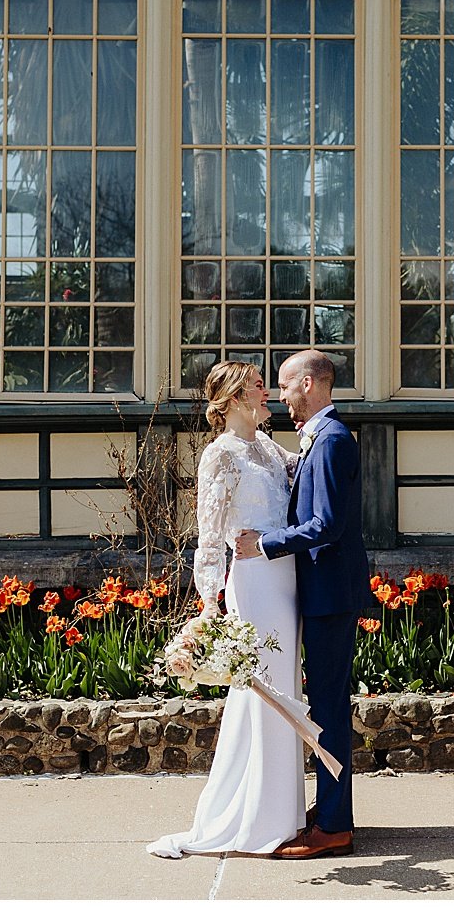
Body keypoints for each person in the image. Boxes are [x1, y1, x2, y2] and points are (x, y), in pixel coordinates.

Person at [146, 360, 304, 859]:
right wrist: (210, 602)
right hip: (252, 583)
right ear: (235, 398)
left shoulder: (270, 449)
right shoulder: (220, 455)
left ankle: (282, 813)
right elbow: (209, 536)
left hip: (285, 576)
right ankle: (256, 821)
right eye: (258, 384)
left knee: (282, 686)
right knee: (263, 691)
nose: (266, 390)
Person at [234, 348, 375, 860]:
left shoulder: (333, 440)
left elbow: (327, 525)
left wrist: (266, 544)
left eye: (286, 385)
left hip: (330, 596)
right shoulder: (317, 439)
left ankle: (335, 825)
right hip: (319, 593)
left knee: (330, 709)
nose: (280, 395)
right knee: (324, 705)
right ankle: (332, 806)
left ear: (311, 384)